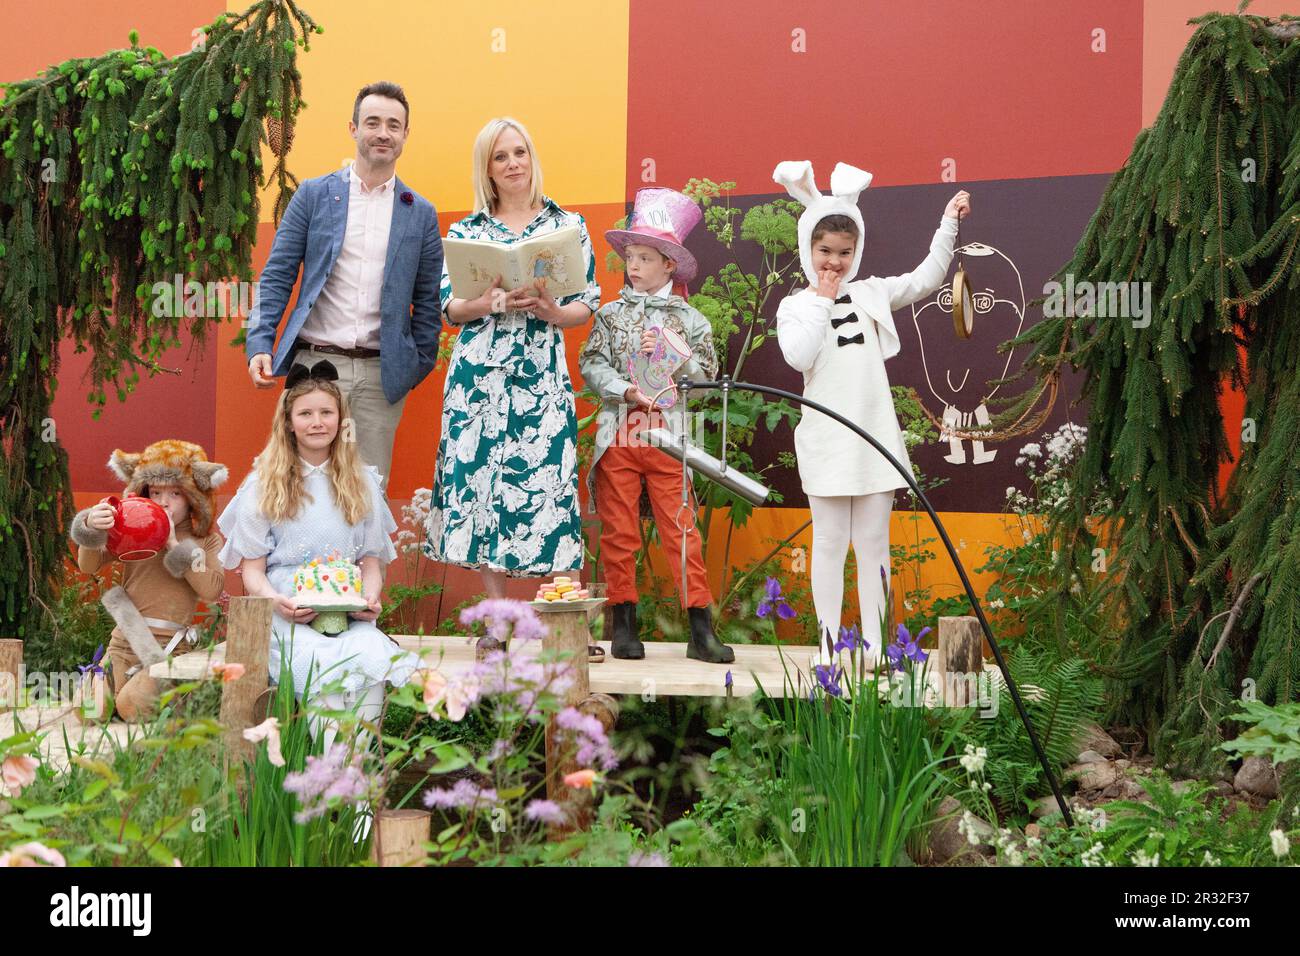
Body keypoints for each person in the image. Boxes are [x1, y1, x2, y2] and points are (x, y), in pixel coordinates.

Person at [773, 159, 971, 665]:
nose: (834, 262)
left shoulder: (873, 292)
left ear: (856, 250)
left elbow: (926, 278)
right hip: (825, 442)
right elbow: (798, 356)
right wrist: (821, 297)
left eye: (844, 252)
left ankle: (881, 649)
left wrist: (948, 223)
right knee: (830, 546)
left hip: (875, 439)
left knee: (874, 548)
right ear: (807, 250)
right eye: (824, 252)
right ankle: (825, 645)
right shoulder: (795, 306)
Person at [425, 117, 599, 595]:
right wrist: (486, 304)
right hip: (478, 376)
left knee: (550, 482)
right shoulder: (467, 230)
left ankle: (565, 618)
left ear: (532, 156)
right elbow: (449, 306)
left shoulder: (568, 225)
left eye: (519, 152)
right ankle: (497, 621)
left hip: (540, 373)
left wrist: (553, 312)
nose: (512, 163)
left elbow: (589, 302)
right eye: (500, 156)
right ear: (487, 168)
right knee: (481, 483)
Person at [244, 81, 443, 489]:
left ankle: (361, 558)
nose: (383, 133)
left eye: (393, 124)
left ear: (406, 135)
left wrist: (412, 366)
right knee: (295, 489)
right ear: (353, 128)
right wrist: (260, 342)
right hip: (314, 369)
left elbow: (427, 302)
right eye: (373, 122)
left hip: (380, 377)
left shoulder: (420, 213)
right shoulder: (315, 195)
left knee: (365, 496)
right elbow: (278, 274)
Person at [218, 360, 420, 749]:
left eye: (326, 412)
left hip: (346, 612)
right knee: (322, 675)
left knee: (370, 666)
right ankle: (334, 785)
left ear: (341, 420)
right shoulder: (264, 484)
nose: (317, 422)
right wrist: (276, 602)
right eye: (305, 413)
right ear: (289, 422)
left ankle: (355, 790)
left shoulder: (360, 481)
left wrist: (370, 598)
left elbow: (371, 562)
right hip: (288, 613)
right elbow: (252, 571)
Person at [578, 187, 733, 663]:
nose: (635, 266)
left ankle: (700, 630)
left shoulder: (692, 321)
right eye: (631, 257)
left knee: (682, 528)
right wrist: (623, 388)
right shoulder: (608, 315)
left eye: (646, 257)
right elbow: (591, 363)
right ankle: (624, 624)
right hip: (620, 432)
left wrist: (676, 356)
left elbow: (706, 384)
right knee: (618, 530)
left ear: (670, 265)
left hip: (671, 435)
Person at [69, 440, 227, 721]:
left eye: (175, 493)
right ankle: (120, 694)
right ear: (143, 492)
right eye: (155, 492)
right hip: (123, 643)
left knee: (131, 706)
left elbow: (212, 589)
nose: (163, 502)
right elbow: (88, 566)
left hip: (168, 651)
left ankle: (142, 701)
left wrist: (174, 544)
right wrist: (92, 529)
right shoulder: (132, 529)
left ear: (193, 496)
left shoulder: (205, 540)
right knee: (88, 712)